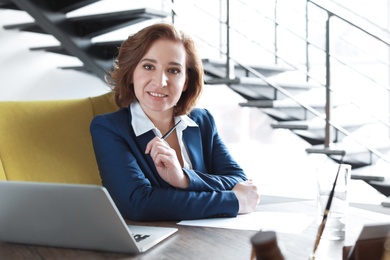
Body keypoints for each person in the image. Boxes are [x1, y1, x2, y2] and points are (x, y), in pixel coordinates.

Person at [90, 22, 260, 221]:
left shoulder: (202, 121)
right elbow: (138, 204)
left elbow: (239, 181)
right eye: (148, 66)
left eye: (173, 70)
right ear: (131, 74)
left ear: (186, 81)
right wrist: (233, 201)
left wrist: (184, 179)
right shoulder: (109, 128)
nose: (160, 82)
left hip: (207, 239)